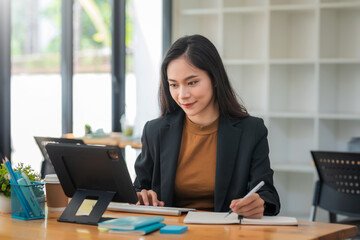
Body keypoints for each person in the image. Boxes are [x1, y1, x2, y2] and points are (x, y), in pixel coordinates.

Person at [134, 34, 280, 218]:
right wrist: (142, 195)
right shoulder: (155, 131)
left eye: (192, 82)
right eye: (174, 85)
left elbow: (268, 193)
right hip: (169, 233)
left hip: (226, 234)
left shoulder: (251, 131)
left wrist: (260, 203)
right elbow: (138, 188)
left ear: (215, 78)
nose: (182, 94)